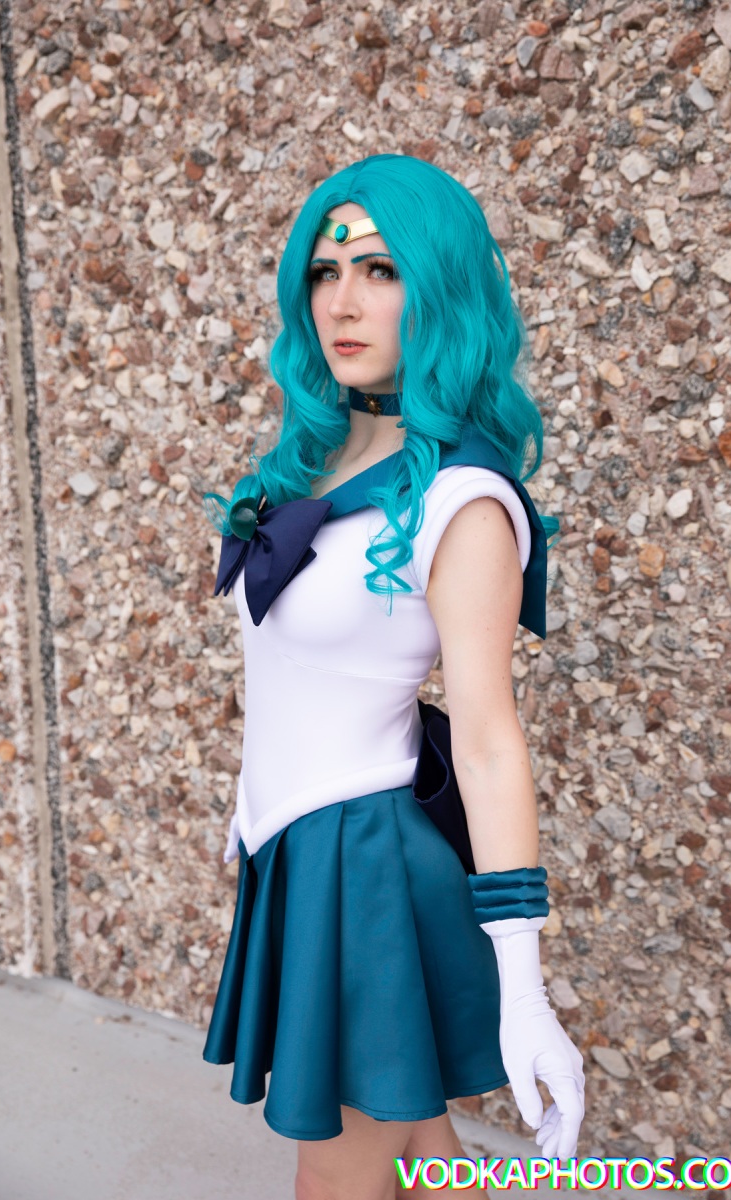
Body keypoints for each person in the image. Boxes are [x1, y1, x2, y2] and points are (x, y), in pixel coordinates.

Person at [201, 153, 585, 1200]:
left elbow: (489, 741)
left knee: (335, 1179)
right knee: (420, 1156)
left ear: (439, 285)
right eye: (325, 272)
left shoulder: (463, 501)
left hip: (364, 871)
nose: (343, 301)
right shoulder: (312, 459)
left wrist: (523, 987)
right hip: (294, 847)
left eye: (379, 270)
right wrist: (252, 809)